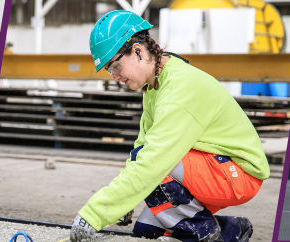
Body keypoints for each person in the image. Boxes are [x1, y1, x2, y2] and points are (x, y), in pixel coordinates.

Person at [68, 10, 269, 242]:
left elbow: (152, 160)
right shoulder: (155, 85)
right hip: (216, 167)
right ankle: (231, 230)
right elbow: (141, 147)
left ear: (137, 51)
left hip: (238, 174)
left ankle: (205, 233)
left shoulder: (178, 89)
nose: (114, 77)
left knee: (156, 168)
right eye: (109, 70)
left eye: (115, 66)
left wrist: (94, 214)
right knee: (147, 230)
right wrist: (122, 202)